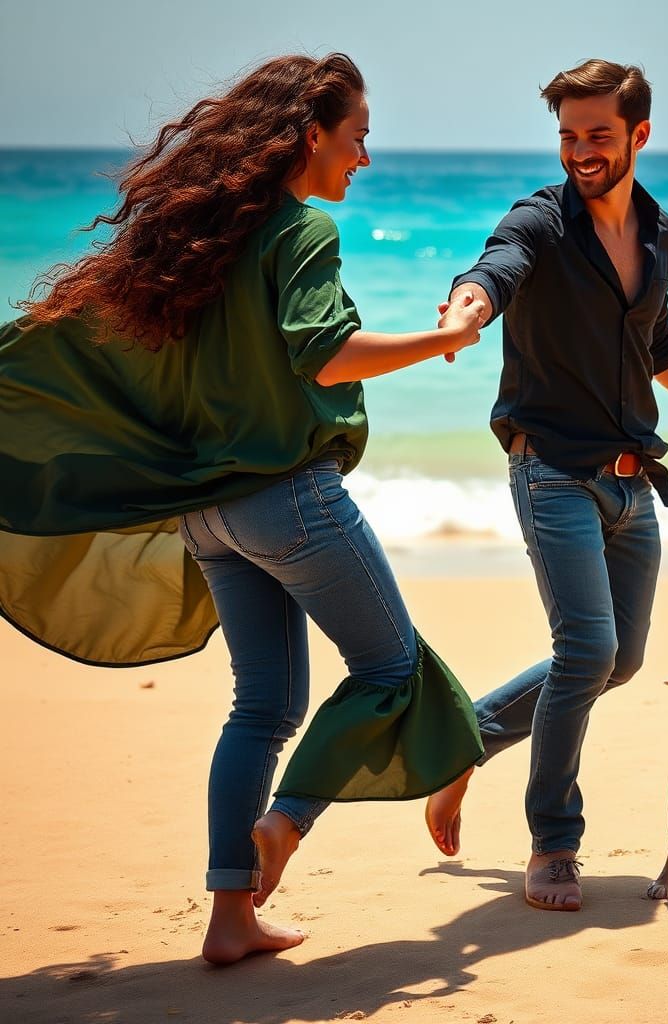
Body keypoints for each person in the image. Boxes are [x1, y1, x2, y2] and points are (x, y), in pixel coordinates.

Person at [0, 53, 486, 965]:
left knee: (262, 706)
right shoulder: (301, 233)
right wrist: (449, 336)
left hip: (211, 518)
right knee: (390, 669)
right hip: (290, 502)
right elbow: (327, 354)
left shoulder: (199, 246)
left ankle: (230, 919)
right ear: (312, 137)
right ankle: (284, 826)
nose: (364, 159)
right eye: (358, 139)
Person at [425, 59, 668, 911]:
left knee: (620, 660)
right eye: (567, 135)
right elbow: (495, 267)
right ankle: (553, 841)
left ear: (638, 136)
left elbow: (654, 339)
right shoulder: (541, 223)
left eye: (597, 134)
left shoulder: (660, 233)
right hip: (549, 468)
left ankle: (457, 744)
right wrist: (464, 309)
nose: (580, 151)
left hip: (632, 482)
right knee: (585, 651)